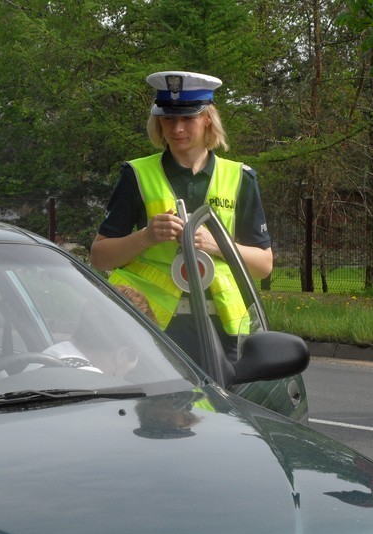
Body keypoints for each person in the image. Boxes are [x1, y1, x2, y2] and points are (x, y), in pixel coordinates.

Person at [90, 71, 272, 363]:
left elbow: (263, 266)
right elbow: (99, 258)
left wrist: (217, 245)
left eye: (187, 118)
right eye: (168, 118)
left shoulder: (240, 178)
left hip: (223, 332)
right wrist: (146, 237)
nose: (176, 129)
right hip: (151, 327)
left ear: (207, 119)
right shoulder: (136, 174)